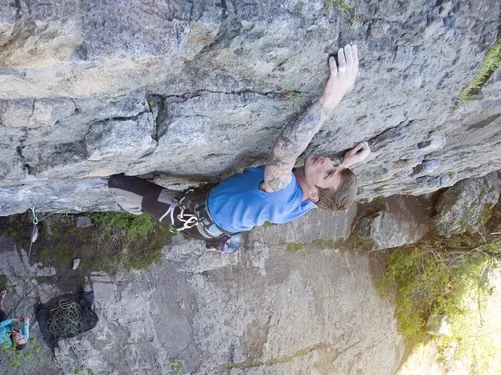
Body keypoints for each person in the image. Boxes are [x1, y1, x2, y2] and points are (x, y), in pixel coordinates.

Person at [108, 44, 370, 253]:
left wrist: (330, 98)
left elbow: (285, 151)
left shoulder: (283, 193)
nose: (327, 162)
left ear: (313, 192)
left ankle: (134, 205)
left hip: (196, 217)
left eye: (327, 172)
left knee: (119, 185)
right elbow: (328, 193)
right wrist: (345, 164)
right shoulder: (314, 199)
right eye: (332, 166)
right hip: (220, 221)